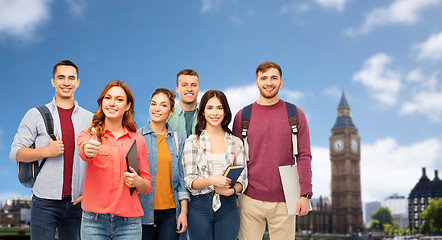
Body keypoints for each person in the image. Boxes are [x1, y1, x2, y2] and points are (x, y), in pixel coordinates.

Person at [10, 60, 92, 240]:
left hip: (78, 203)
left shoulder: (90, 118)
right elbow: (15, 152)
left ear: (78, 82)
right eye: (61, 77)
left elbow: (96, 161)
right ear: (53, 81)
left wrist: (89, 193)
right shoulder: (35, 114)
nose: (66, 82)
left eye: (71, 78)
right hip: (44, 202)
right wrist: (46, 152)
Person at [232, 61, 313, 240]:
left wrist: (305, 194)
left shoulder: (296, 114)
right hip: (249, 198)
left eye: (274, 78)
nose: (269, 83)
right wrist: (235, 193)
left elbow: (304, 156)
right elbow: (235, 159)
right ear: (256, 83)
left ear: (281, 82)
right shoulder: (242, 117)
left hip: (285, 199)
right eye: (264, 78)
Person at [77, 80, 151, 240]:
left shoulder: (138, 140)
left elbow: (146, 185)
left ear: (127, 106)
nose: (112, 103)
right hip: (93, 222)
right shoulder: (88, 135)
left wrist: (138, 181)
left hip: (129, 223)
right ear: (102, 102)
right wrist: (89, 149)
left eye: (119, 99)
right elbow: (85, 152)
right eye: (107, 98)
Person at [182, 90, 248, 240]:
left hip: (228, 206)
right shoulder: (192, 142)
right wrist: (212, 181)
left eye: (219, 108)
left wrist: (231, 191)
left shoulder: (236, 142)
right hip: (199, 206)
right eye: (210, 108)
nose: (215, 113)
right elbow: (189, 181)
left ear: (225, 112)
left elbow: (243, 180)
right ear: (203, 112)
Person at [138, 88, 190, 240]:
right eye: (153, 104)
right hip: (141, 212)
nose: (157, 109)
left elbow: (182, 181)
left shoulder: (178, 140)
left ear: (171, 111)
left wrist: (183, 213)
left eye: (163, 105)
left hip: (170, 213)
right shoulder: (136, 137)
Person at [167, 69, 200, 139]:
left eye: (193, 85)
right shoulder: (168, 115)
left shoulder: (207, 112)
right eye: (184, 85)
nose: (189, 89)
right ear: (177, 89)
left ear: (198, 88)